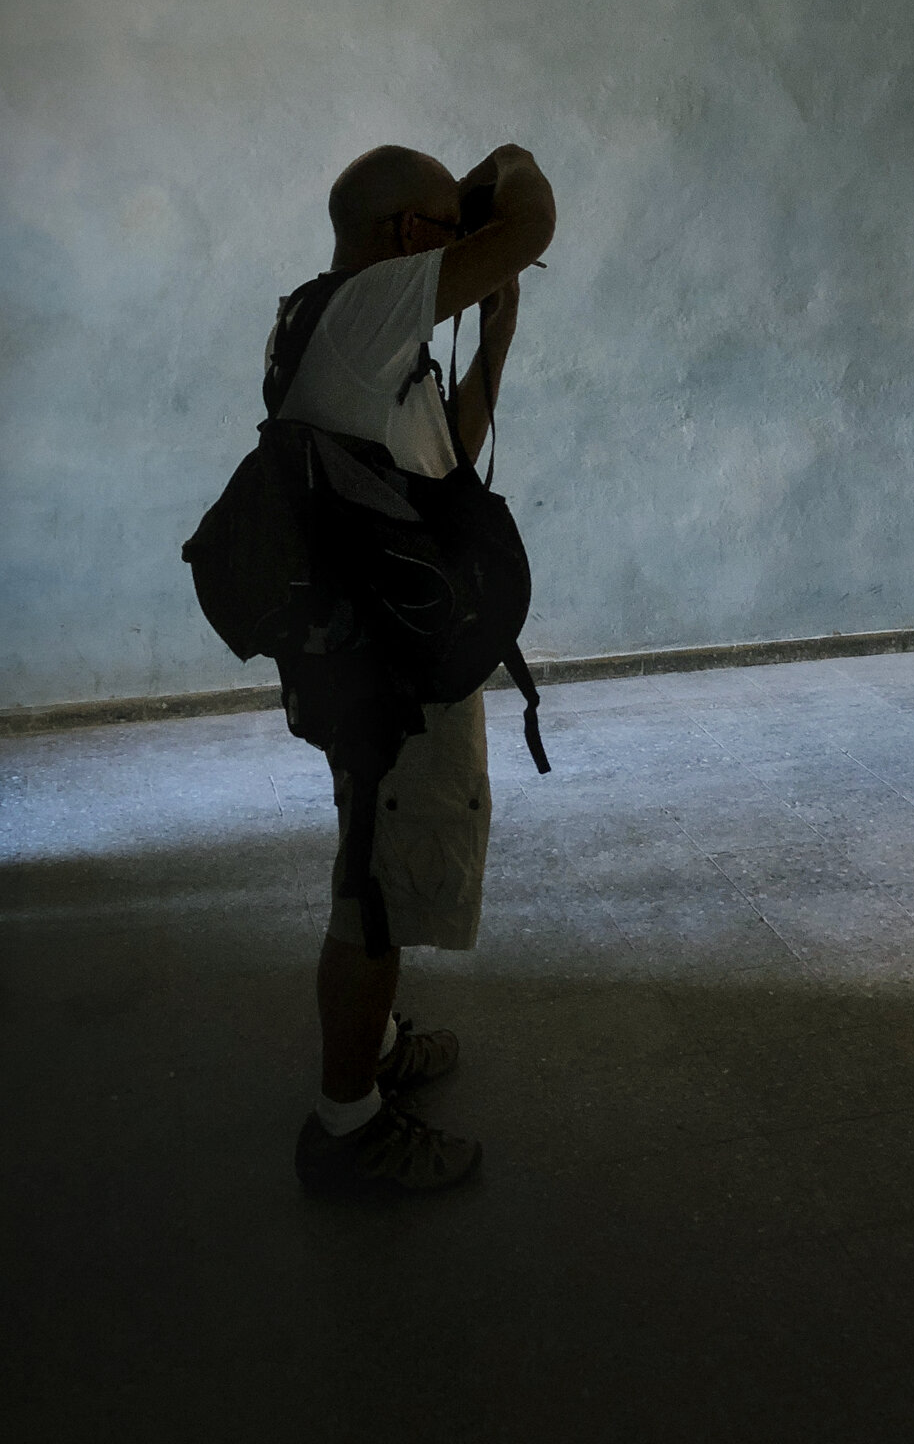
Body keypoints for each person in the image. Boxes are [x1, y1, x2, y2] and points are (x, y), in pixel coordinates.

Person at [284, 140, 556, 1193]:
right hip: (382, 673)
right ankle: (346, 1124)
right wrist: (514, 169)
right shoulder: (364, 307)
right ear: (410, 238)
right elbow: (528, 222)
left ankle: (380, 1040)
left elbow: (449, 449)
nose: (477, 260)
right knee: (375, 894)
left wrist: (500, 330)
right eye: (455, 237)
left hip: (380, 651)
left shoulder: (362, 329)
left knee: (382, 865)